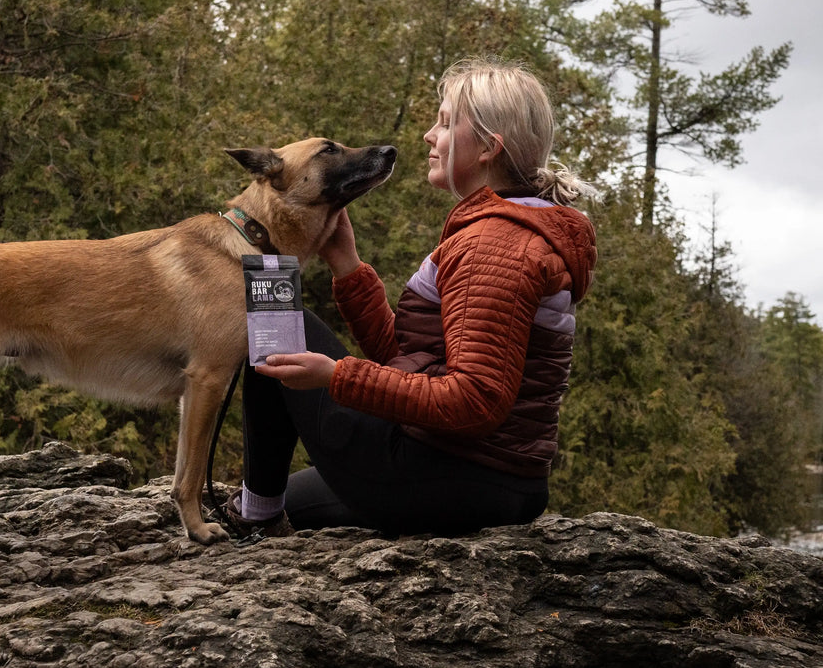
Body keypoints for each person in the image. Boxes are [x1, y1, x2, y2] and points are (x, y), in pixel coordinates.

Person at [221, 56, 598, 540]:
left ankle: (258, 516)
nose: (428, 135)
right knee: (286, 500)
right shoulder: (505, 227)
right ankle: (259, 507)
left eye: (443, 123)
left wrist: (337, 375)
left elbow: (474, 400)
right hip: (481, 475)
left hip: (451, 473)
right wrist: (348, 266)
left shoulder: (495, 244)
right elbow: (411, 360)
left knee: (275, 311)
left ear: (487, 148)